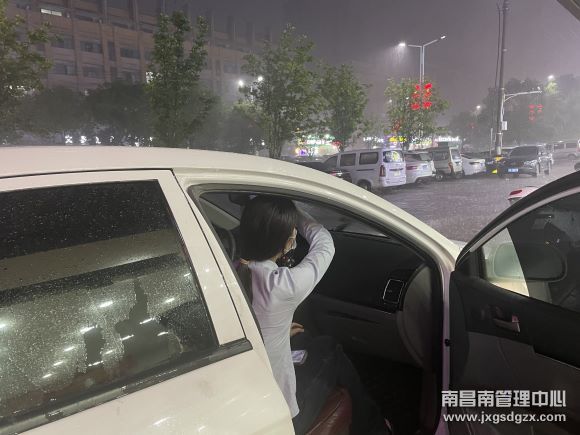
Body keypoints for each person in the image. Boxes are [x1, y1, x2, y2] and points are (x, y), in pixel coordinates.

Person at [237, 195, 389, 434]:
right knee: (329, 348)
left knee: (305, 341)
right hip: (282, 415)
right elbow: (324, 243)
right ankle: (374, 428)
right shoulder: (283, 286)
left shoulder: (229, 271)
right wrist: (291, 211)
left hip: (244, 400)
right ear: (289, 242)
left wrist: (275, 333)